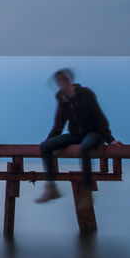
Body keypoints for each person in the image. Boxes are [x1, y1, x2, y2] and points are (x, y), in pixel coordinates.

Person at [35, 68, 119, 204]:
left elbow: (99, 117)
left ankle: (87, 191)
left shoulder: (86, 94)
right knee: (44, 146)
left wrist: (110, 140)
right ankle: (51, 189)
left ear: (69, 80)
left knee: (84, 149)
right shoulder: (62, 99)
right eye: (59, 82)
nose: (61, 84)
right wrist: (49, 141)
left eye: (64, 80)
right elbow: (58, 126)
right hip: (76, 135)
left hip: (94, 133)